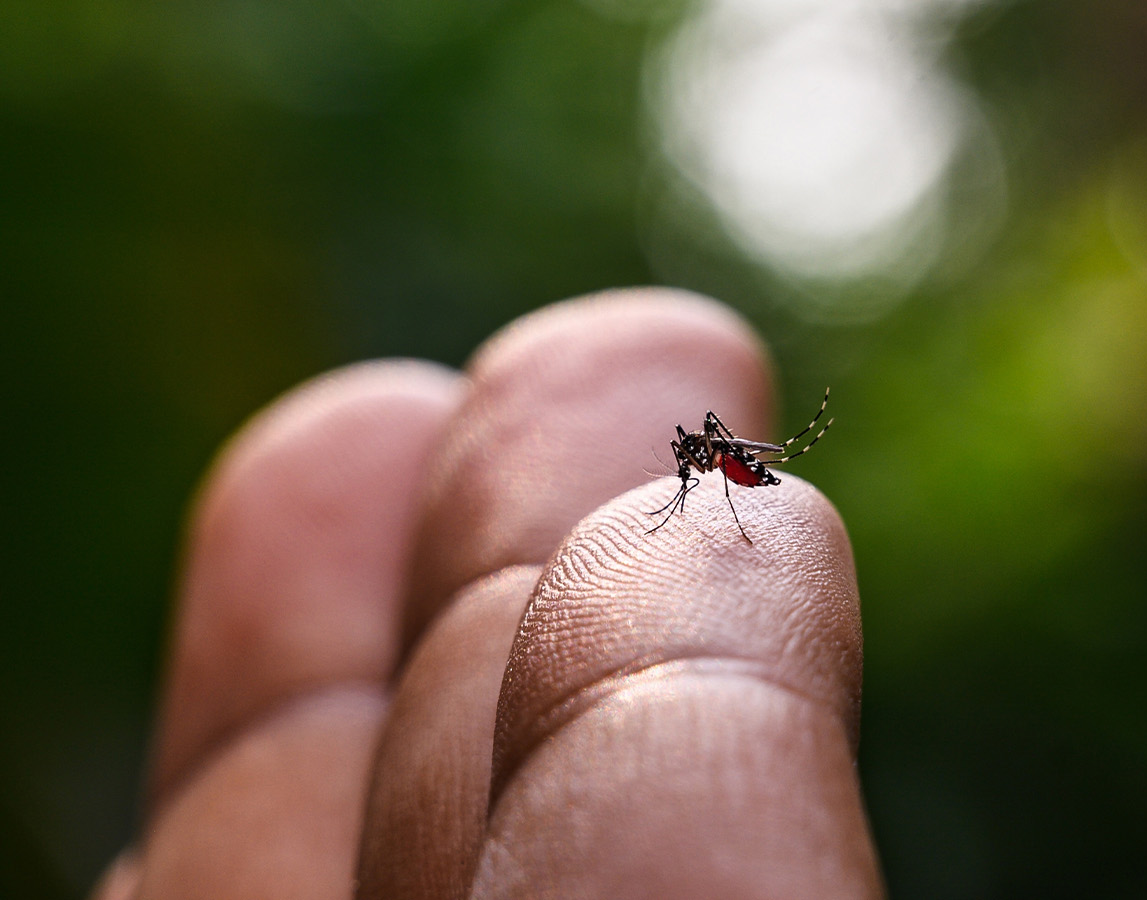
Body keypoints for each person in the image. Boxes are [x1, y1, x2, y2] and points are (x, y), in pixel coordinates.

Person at [90, 288, 884, 899]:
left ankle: (773, 463)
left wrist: (726, 482)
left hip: (744, 486)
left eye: (693, 456)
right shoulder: (695, 457)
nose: (687, 456)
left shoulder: (716, 461)